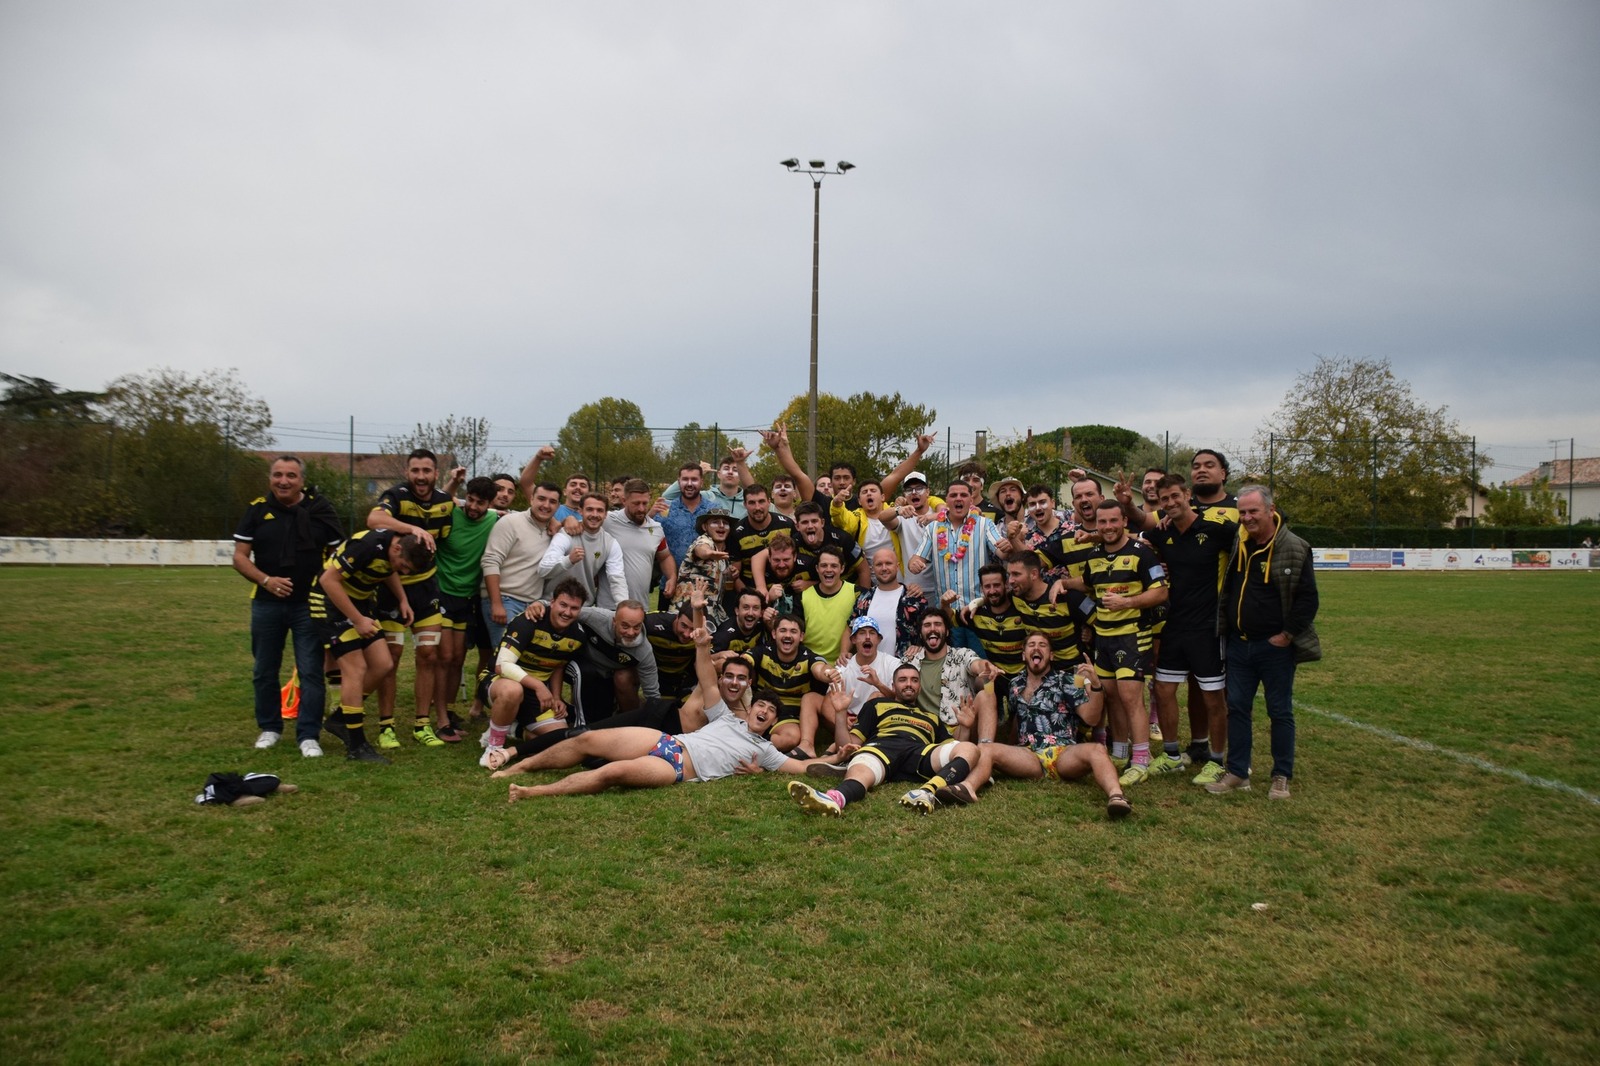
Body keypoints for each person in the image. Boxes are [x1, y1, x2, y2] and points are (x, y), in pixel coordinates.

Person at [498, 625, 827, 798]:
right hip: (666, 739)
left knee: (612, 773)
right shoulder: (727, 716)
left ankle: (535, 792)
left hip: (677, 767)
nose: (764, 711)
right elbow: (707, 679)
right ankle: (521, 767)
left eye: (770, 711)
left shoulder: (766, 752)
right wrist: (703, 646)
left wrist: (838, 759)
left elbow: (803, 768)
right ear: (752, 707)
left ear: (773, 722)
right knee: (587, 739)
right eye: (761, 705)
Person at [1207, 485, 1319, 800]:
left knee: (1279, 710)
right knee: (1237, 708)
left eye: (1253, 511)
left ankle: (1281, 775)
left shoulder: (1295, 547)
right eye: (1242, 512)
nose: (1247, 518)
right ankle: (1237, 772)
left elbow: (1308, 599)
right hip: (1239, 644)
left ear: (1271, 510)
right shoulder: (1239, 541)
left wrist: (1286, 636)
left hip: (1275, 648)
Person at [231, 455, 344, 756]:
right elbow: (239, 557)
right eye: (278, 475)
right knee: (264, 669)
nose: (283, 481)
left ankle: (309, 735)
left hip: (309, 606)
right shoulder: (257, 510)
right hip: (266, 604)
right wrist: (266, 580)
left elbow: (340, 555)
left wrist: (324, 587)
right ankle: (270, 728)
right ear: (270, 478)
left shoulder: (320, 510)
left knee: (310, 671)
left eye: (291, 475)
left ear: (302, 481)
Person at [787, 662, 982, 816]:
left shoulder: (931, 717)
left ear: (919, 686)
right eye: (903, 680)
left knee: (969, 749)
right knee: (861, 768)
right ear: (893, 686)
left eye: (914, 680)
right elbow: (849, 744)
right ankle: (835, 798)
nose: (909, 684)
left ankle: (926, 792)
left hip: (919, 752)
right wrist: (840, 713)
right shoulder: (877, 705)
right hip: (881, 748)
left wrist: (965, 727)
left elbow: (954, 748)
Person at [1146, 473, 1236, 785]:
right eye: (1164, 499)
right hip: (1175, 624)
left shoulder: (1217, 529)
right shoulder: (1163, 533)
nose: (1171, 502)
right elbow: (1133, 538)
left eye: (1175, 496)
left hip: (1208, 627)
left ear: (1187, 495)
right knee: (1163, 689)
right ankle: (1171, 756)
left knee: (1213, 697)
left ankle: (1217, 759)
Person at [365, 448, 458, 750]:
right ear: (407, 472)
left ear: (436, 474)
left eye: (426, 470)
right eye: (415, 470)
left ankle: (422, 724)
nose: (420, 476)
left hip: (426, 590)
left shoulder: (445, 503)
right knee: (391, 658)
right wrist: (411, 528)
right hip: (391, 589)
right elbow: (373, 518)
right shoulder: (396, 495)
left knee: (428, 655)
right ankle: (387, 726)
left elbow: (451, 529)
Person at [316, 530, 434, 763]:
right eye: (404, 566)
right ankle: (356, 746)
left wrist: (402, 599)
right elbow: (327, 580)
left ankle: (340, 718)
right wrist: (357, 620)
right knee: (356, 668)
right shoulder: (367, 546)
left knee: (383, 664)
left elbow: (389, 570)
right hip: (330, 603)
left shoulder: (395, 550)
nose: (404, 571)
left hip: (360, 604)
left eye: (408, 570)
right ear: (397, 549)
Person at [983, 633, 1131, 819]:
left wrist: (1095, 685)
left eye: (1042, 645)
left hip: (1063, 753)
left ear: (1051, 655)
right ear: (1023, 654)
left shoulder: (1066, 681)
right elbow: (1016, 720)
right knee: (987, 749)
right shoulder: (1015, 684)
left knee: (1097, 750)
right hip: (1028, 755)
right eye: (1031, 645)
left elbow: (1091, 718)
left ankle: (1116, 796)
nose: (1036, 648)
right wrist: (1010, 749)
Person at [1082, 499, 1171, 786]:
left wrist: (1127, 602)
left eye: (1113, 521)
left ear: (1124, 522)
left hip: (1132, 635)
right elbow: (1087, 585)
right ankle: (1120, 753)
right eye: (1102, 522)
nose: (1108, 527)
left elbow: (1160, 592)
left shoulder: (1141, 553)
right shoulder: (1094, 556)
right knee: (1111, 696)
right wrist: (1062, 583)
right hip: (1103, 637)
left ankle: (1141, 760)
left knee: (1131, 697)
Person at [480, 577, 591, 766]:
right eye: (563, 605)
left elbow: (558, 665)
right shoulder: (528, 621)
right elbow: (502, 665)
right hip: (498, 681)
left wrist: (556, 696)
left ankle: (514, 729)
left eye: (574, 608)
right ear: (552, 602)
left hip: (535, 693)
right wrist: (539, 686)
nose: (567, 612)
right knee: (513, 690)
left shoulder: (577, 635)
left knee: (559, 740)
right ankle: (493, 747)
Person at [433, 475, 501, 740]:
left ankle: (449, 711)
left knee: (458, 659)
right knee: (445, 657)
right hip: (441, 593)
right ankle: (440, 719)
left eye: (480, 503)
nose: (473, 506)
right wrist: (452, 483)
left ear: (489, 504)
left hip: (468, 598)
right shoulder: (451, 513)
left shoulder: (494, 520)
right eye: (470, 500)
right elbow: (438, 501)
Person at [908, 479, 1010, 651]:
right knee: (953, 664)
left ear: (971, 500)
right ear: (946, 500)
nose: (958, 499)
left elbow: (1002, 552)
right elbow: (916, 559)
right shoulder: (933, 528)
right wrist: (914, 564)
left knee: (980, 662)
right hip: (948, 615)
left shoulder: (984, 524)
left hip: (979, 612)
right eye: (953, 495)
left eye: (963, 495)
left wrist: (1009, 545)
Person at [899, 609, 1002, 745]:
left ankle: (986, 749)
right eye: (927, 625)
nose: (933, 629)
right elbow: (895, 690)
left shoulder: (961, 654)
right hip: (925, 730)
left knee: (987, 694)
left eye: (938, 624)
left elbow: (976, 664)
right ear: (920, 633)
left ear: (947, 631)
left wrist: (986, 668)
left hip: (960, 727)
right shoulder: (909, 661)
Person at [480, 479, 562, 649]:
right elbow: (490, 561)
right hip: (505, 600)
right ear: (531, 499)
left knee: (524, 658)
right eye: (541, 499)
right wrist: (496, 604)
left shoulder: (554, 532)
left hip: (533, 605)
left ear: (558, 506)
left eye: (552, 501)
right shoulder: (510, 523)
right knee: (507, 657)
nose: (546, 505)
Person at [539, 491, 629, 609]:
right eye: (590, 509)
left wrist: (623, 606)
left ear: (605, 514)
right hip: (553, 604)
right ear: (580, 511)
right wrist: (568, 560)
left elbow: (617, 578)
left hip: (584, 607)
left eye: (600, 510)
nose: (595, 514)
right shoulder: (566, 534)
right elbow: (543, 570)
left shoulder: (610, 543)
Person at [605, 478, 676, 606]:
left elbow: (665, 556)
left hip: (640, 607)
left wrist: (672, 577)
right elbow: (584, 523)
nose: (641, 508)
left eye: (645, 503)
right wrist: (569, 520)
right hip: (609, 606)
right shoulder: (608, 520)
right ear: (624, 501)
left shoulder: (656, 528)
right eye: (636, 503)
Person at [849, 546, 928, 657]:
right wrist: (844, 651)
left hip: (904, 664)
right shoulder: (864, 598)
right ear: (873, 569)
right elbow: (850, 626)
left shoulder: (913, 597)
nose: (884, 568)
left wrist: (920, 646)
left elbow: (928, 629)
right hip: (868, 665)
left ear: (897, 566)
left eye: (888, 563)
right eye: (879, 564)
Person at [669, 508, 736, 627]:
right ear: (705, 527)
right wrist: (708, 553)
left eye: (725, 523)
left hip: (709, 613)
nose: (721, 525)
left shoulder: (722, 554)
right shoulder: (704, 540)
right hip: (687, 613)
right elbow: (701, 549)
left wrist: (730, 573)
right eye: (715, 522)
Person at [834, 616, 902, 729]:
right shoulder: (844, 666)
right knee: (815, 698)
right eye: (862, 633)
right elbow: (830, 701)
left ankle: (858, 732)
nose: (867, 637)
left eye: (872, 633)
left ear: (879, 639)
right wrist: (842, 719)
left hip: (880, 719)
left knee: (877, 696)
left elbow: (901, 700)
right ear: (853, 639)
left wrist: (878, 684)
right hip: (849, 717)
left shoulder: (893, 664)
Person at [799, 544, 859, 663]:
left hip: (844, 664)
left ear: (842, 568)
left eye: (834, 566)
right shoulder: (802, 597)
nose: (828, 570)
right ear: (817, 568)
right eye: (824, 565)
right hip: (810, 663)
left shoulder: (857, 594)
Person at [656, 461, 715, 565]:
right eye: (685, 479)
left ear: (701, 482)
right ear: (679, 482)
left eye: (694, 479)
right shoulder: (665, 509)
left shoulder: (713, 509)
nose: (689, 484)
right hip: (671, 574)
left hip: (706, 574)